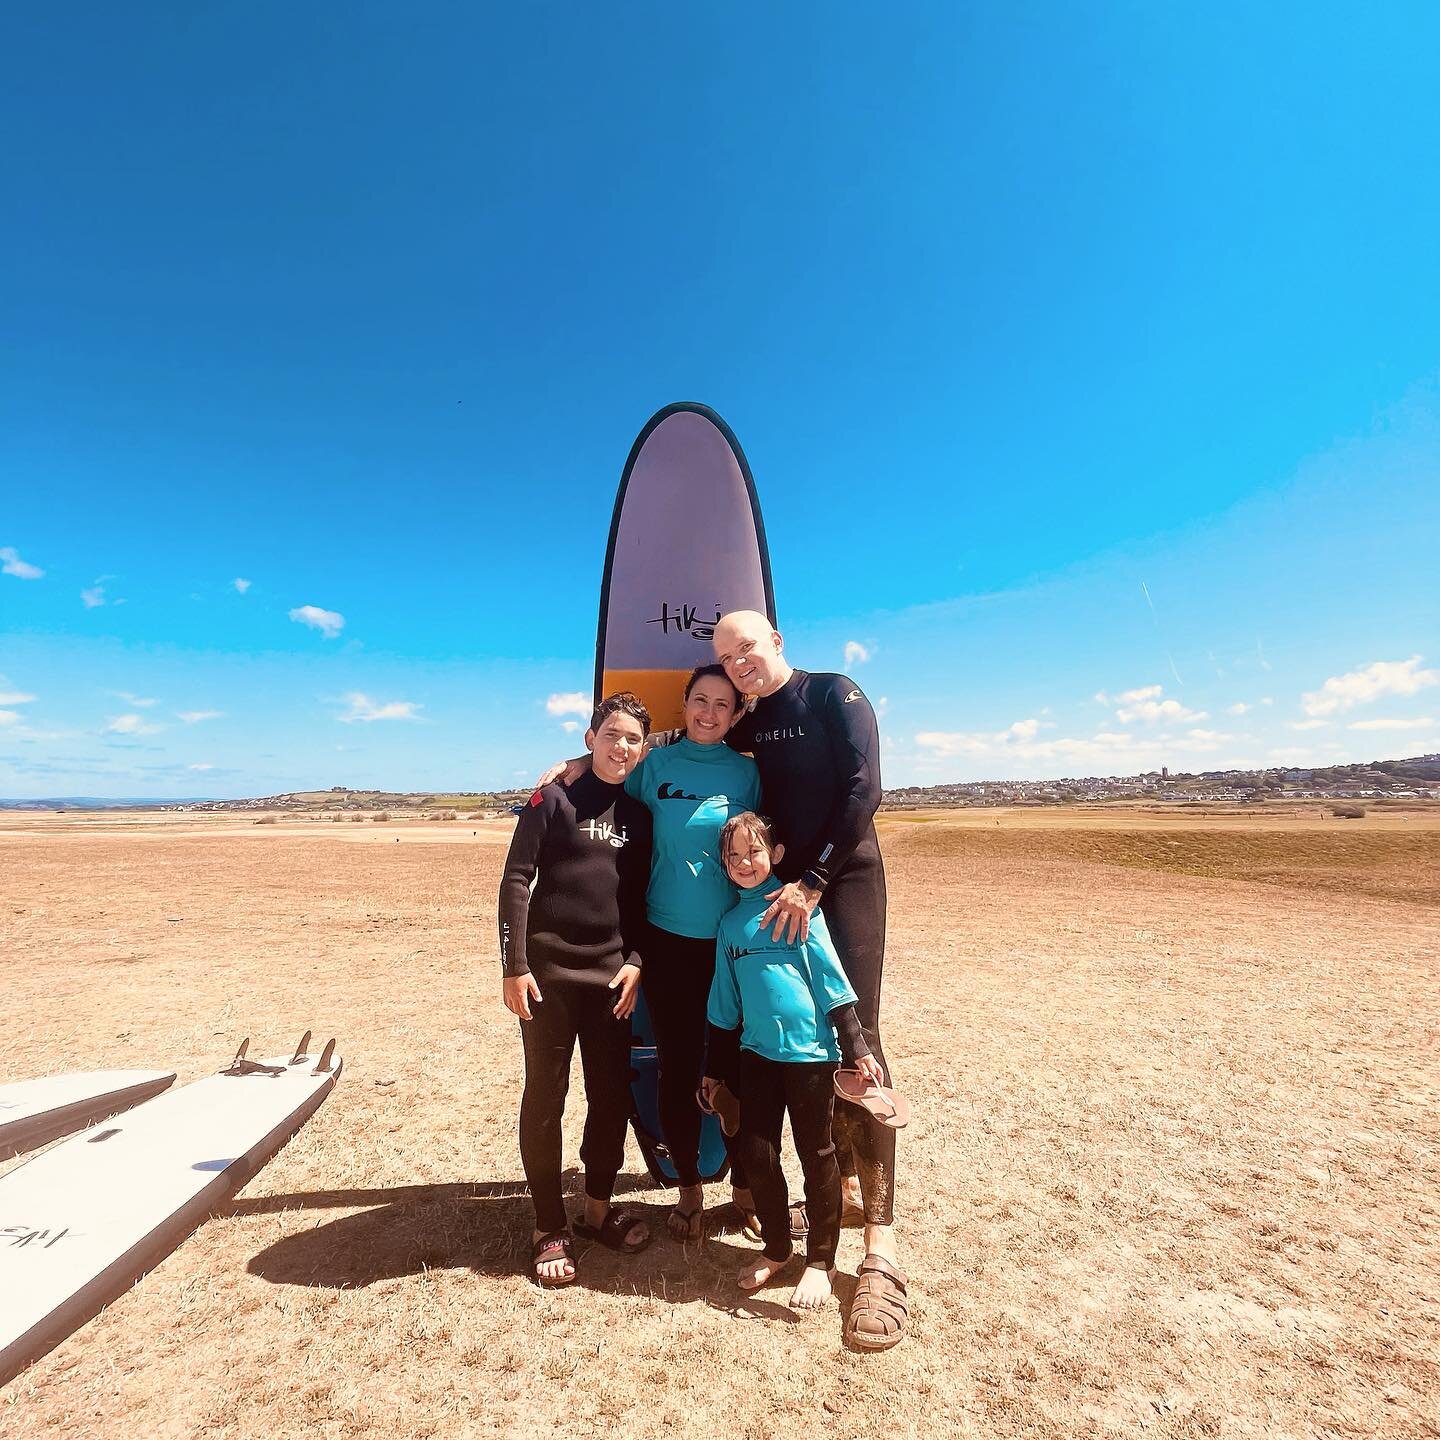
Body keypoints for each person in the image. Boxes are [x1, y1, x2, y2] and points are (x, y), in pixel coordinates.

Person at [710, 609, 908, 1350]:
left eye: (748, 648)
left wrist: (816, 878)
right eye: (728, 657)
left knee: (857, 1031)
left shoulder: (834, 695)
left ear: (777, 642)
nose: (739, 664)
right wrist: (571, 767)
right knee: (792, 1038)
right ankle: (839, 1191)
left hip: (843, 878)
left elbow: (865, 788)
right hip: (781, 891)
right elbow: (684, 743)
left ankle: (881, 1252)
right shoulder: (754, 723)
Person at [499, 692, 655, 1287]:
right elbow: (517, 879)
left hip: (612, 980)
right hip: (549, 979)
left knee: (610, 1097)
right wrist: (514, 964)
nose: (621, 747)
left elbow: (642, 901)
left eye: (633, 739)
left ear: (642, 749)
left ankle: (595, 1208)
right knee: (546, 1094)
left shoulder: (637, 817)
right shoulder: (552, 798)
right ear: (590, 738)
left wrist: (638, 961)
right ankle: (547, 1224)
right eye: (611, 735)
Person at [703, 812, 883, 1311]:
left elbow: (830, 978)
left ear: (775, 855)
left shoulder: (797, 906)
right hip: (756, 1056)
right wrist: (715, 1069)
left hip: (810, 1057)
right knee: (757, 1154)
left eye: (754, 852)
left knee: (816, 1155)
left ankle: (820, 1262)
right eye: (733, 856)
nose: (744, 862)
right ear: (724, 864)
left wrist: (856, 1045)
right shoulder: (731, 924)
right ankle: (779, 1248)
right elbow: (724, 1003)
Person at [621, 663, 762, 1241]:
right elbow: (609, 799)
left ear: (736, 715)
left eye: (722, 705)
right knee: (677, 1071)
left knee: (736, 1074)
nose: (708, 712)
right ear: (684, 704)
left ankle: (748, 1190)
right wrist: (576, 764)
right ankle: (689, 1192)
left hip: (732, 945)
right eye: (699, 700)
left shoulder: (747, 776)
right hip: (668, 942)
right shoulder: (654, 766)